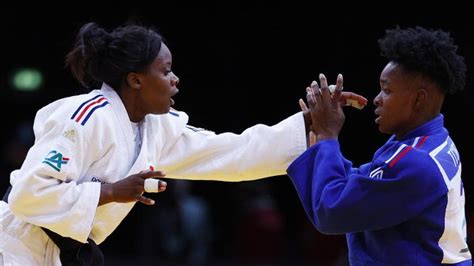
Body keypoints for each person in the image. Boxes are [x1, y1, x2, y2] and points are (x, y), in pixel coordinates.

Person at [0, 22, 367, 265]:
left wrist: (308, 121)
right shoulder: (86, 116)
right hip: (15, 246)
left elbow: (232, 153)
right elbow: (28, 194)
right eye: (165, 70)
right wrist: (111, 192)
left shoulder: (159, 129)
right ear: (136, 80)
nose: (175, 79)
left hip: (64, 253)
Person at [287, 26, 472, 265]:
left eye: (387, 90)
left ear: (419, 98)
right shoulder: (429, 141)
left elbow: (331, 211)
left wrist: (327, 136)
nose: (377, 99)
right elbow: (360, 183)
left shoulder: (416, 162)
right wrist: (320, 141)